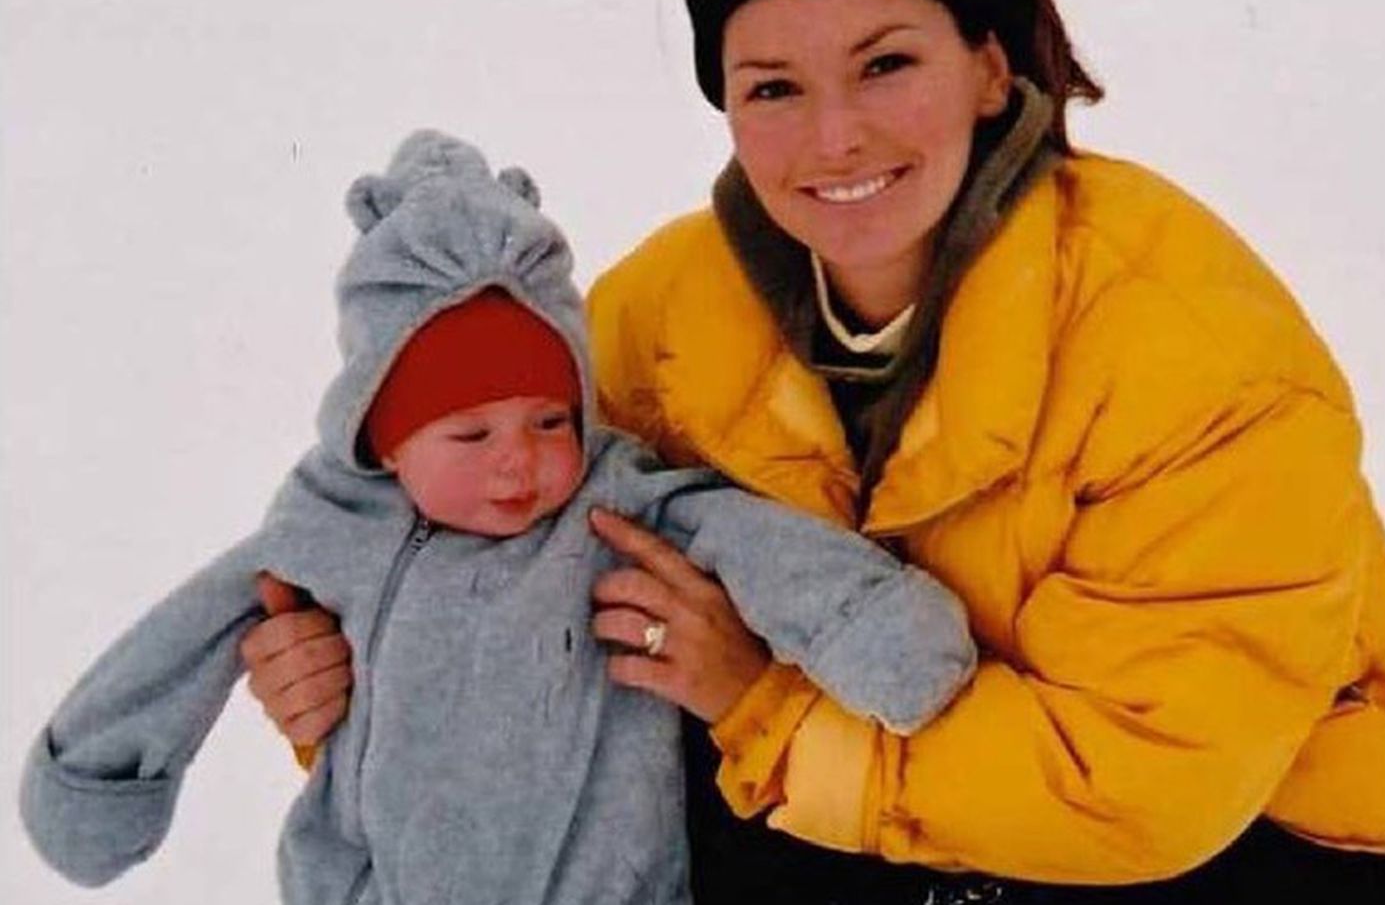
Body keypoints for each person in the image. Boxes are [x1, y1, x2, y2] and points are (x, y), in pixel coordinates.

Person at [242, 0, 1385, 905]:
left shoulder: (1184, 344)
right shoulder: (661, 316)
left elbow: (1145, 786)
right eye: (773, 87)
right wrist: (356, 678)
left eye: (886, 64)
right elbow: (473, 548)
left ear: (990, 68)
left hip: (1246, 837)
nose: (833, 136)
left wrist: (761, 709)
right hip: (878, 785)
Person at [19, 131, 979, 905]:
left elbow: (748, 539)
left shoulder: (613, 504)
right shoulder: (331, 522)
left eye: (550, 419)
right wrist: (99, 772)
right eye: (470, 434)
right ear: (387, 440)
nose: (519, 462)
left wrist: (873, 626)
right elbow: (188, 637)